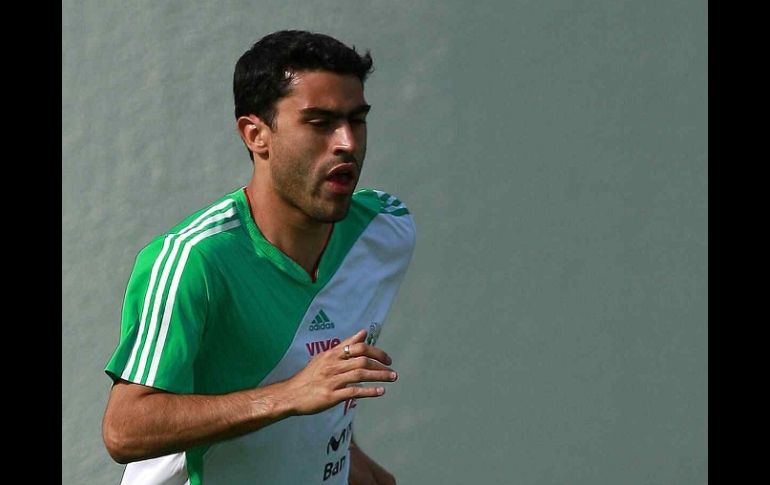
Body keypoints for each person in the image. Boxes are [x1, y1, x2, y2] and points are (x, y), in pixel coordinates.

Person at [101, 30, 415, 485]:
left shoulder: (385, 231)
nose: (347, 142)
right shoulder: (194, 260)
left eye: (356, 119)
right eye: (320, 122)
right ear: (256, 135)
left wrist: (361, 472)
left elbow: (313, 406)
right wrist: (288, 395)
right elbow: (124, 429)